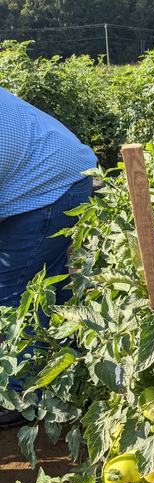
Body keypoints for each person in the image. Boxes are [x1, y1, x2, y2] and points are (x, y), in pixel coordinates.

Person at [0, 87, 97, 427]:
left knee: (13, 292)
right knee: (49, 285)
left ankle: (20, 395)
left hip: (47, 186)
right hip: (54, 170)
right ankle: (65, 366)